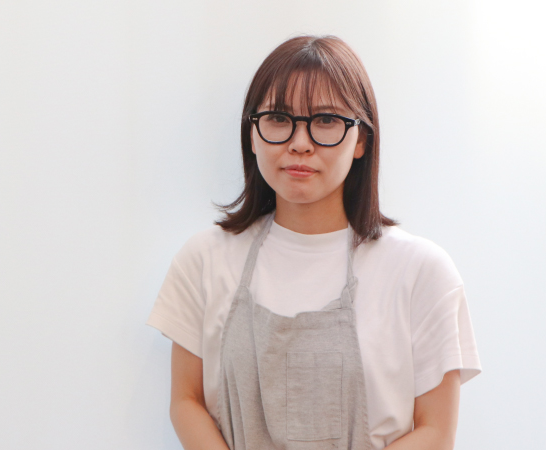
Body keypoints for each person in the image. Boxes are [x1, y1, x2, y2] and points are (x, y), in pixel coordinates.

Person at [145, 35, 481, 450]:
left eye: (325, 120)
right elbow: (186, 400)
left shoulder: (421, 271)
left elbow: (437, 432)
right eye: (278, 118)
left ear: (361, 140)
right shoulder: (203, 259)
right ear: (253, 135)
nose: (300, 143)